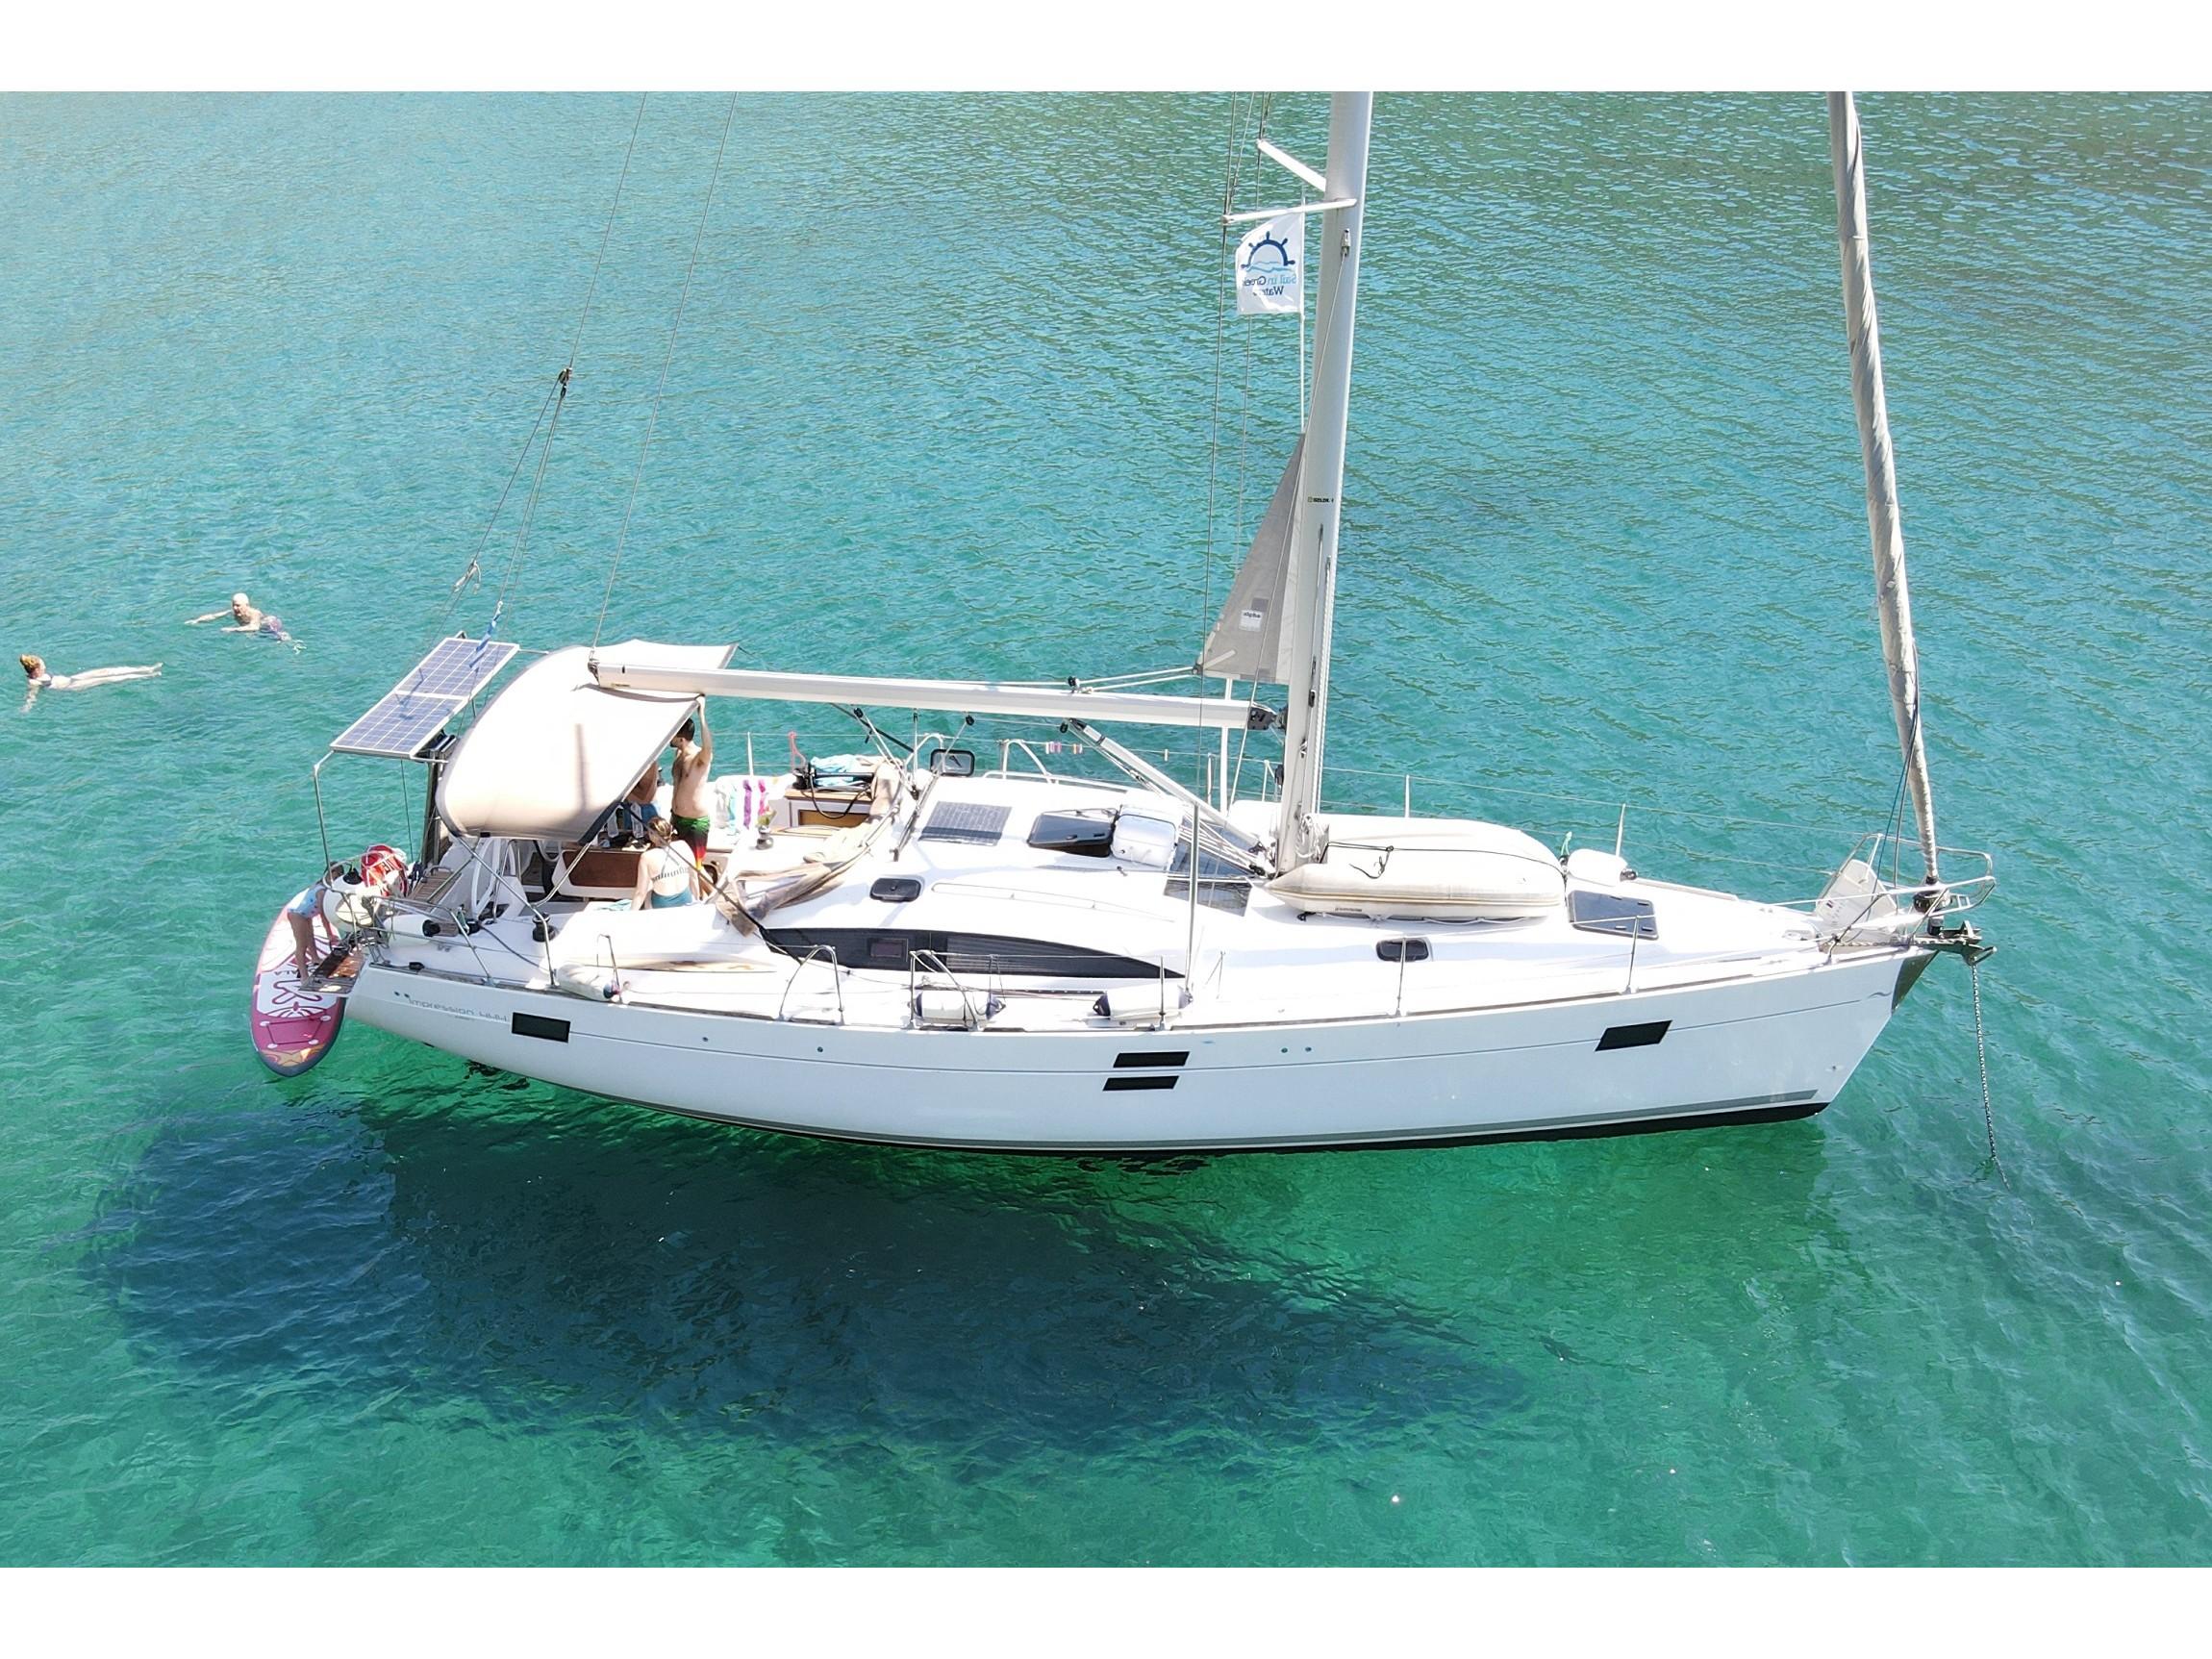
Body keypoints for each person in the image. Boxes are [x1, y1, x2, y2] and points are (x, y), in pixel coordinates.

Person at [20, 653, 162, 705]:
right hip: (70, 686)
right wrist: (26, 707)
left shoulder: (39, 674)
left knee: (107, 671)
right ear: (37, 669)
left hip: (71, 678)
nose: (45, 665)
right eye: (43, 664)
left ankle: (146, 668)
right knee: (108, 679)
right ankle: (147, 675)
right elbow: (31, 695)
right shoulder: (33, 682)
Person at [288, 862, 348, 982]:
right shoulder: (322, 892)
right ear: (329, 873)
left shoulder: (323, 885)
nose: (336, 879)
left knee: (310, 936)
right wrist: (329, 933)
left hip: (306, 914)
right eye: (336, 875)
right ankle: (304, 976)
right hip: (297, 914)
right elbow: (323, 915)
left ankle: (314, 958)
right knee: (302, 945)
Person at [668, 704, 714, 859]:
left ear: (681, 739)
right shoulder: (678, 755)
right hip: (676, 818)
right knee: (676, 862)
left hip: (694, 822)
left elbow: (708, 747)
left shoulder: (698, 758)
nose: (670, 738)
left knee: (695, 865)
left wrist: (702, 716)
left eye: (673, 735)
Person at [630, 821, 702, 910]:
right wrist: (697, 902)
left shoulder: (646, 857)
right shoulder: (683, 845)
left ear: (652, 836)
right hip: (685, 899)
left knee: (648, 889)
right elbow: (694, 878)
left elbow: (640, 893)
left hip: (663, 904)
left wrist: (631, 913)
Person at [188, 591, 292, 642]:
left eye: (238, 605)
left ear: (246, 605)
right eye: (233, 605)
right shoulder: (233, 612)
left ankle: (292, 643)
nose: (235, 608)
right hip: (254, 627)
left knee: (280, 637)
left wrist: (232, 630)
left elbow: (254, 627)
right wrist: (197, 620)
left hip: (269, 623)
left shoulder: (254, 613)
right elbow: (214, 615)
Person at [611, 766, 663, 845]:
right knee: (626, 842)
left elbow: (645, 799)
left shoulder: (648, 764)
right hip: (628, 808)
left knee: (652, 844)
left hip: (645, 811)